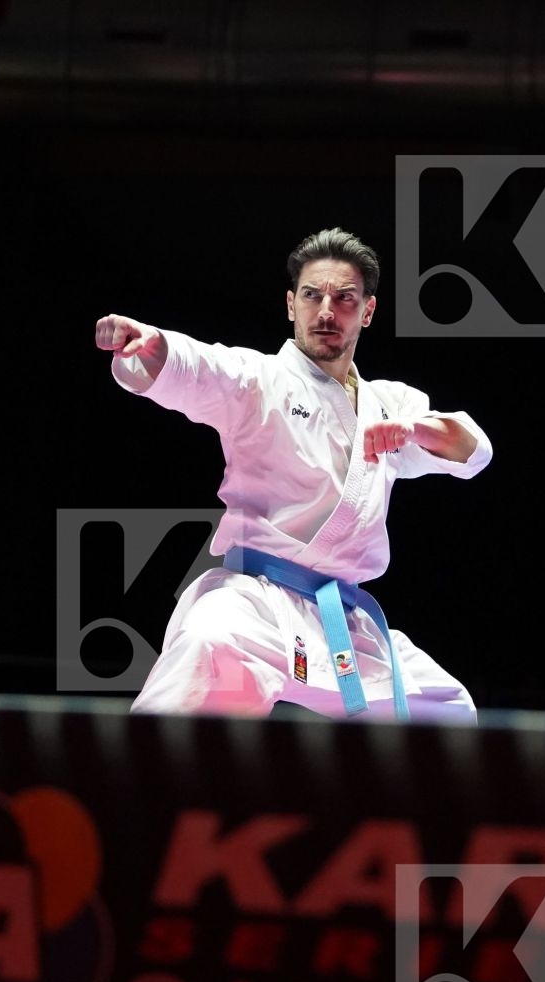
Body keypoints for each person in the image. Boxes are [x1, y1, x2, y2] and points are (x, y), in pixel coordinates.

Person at [96, 228, 492, 722]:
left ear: (367, 311)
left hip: (342, 623)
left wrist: (415, 429)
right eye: (312, 295)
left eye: (344, 298)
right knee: (208, 643)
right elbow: (201, 368)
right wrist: (155, 348)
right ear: (291, 305)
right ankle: (126, 791)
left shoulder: (392, 404)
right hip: (255, 604)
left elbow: (474, 452)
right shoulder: (258, 380)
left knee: (448, 710)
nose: (326, 311)